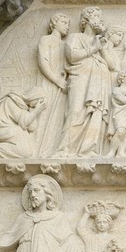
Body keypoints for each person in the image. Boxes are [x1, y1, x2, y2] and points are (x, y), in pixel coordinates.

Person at [62, 6, 112, 156]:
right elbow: (72, 55)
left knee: (96, 112)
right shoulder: (76, 37)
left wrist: (101, 47)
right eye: (97, 16)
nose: (100, 20)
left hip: (100, 82)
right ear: (87, 19)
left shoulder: (101, 42)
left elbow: (113, 65)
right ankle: (64, 149)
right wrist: (93, 49)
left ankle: (89, 149)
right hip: (80, 78)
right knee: (75, 112)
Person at [35, 13, 70, 153]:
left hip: (63, 86)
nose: (67, 26)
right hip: (50, 82)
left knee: (58, 118)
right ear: (54, 23)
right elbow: (43, 61)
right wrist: (56, 80)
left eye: (68, 24)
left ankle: (52, 149)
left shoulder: (65, 44)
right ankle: (40, 150)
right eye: (64, 22)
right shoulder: (46, 40)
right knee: (45, 113)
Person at [0, 91, 44, 159]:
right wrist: (37, 111)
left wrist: (33, 110)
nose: (40, 104)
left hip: (12, 129)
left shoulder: (25, 107)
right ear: (34, 97)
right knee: (24, 150)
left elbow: (32, 128)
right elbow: (25, 122)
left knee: (28, 151)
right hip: (2, 128)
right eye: (40, 101)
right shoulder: (11, 101)